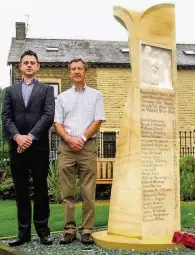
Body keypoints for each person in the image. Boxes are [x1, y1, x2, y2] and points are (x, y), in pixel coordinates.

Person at [1, 50, 55, 246]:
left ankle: (43, 231)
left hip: (38, 147)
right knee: (21, 191)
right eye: (26, 62)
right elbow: (6, 118)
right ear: (20, 67)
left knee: (40, 189)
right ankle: (23, 234)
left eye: (33, 62)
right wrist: (18, 137)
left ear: (38, 66)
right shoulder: (10, 91)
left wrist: (30, 137)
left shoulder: (47, 90)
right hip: (17, 149)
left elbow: (48, 115)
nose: (29, 65)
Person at [54, 58, 106, 245]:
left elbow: (98, 120)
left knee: (88, 191)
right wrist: (69, 139)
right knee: (67, 192)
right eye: (73, 69)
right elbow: (57, 123)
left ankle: (86, 230)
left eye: (80, 69)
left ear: (86, 73)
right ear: (70, 73)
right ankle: (69, 230)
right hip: (66, 148)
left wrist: (82, 139)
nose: (76, 71)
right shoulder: (62, 97)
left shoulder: (96, 95)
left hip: (87, 146)